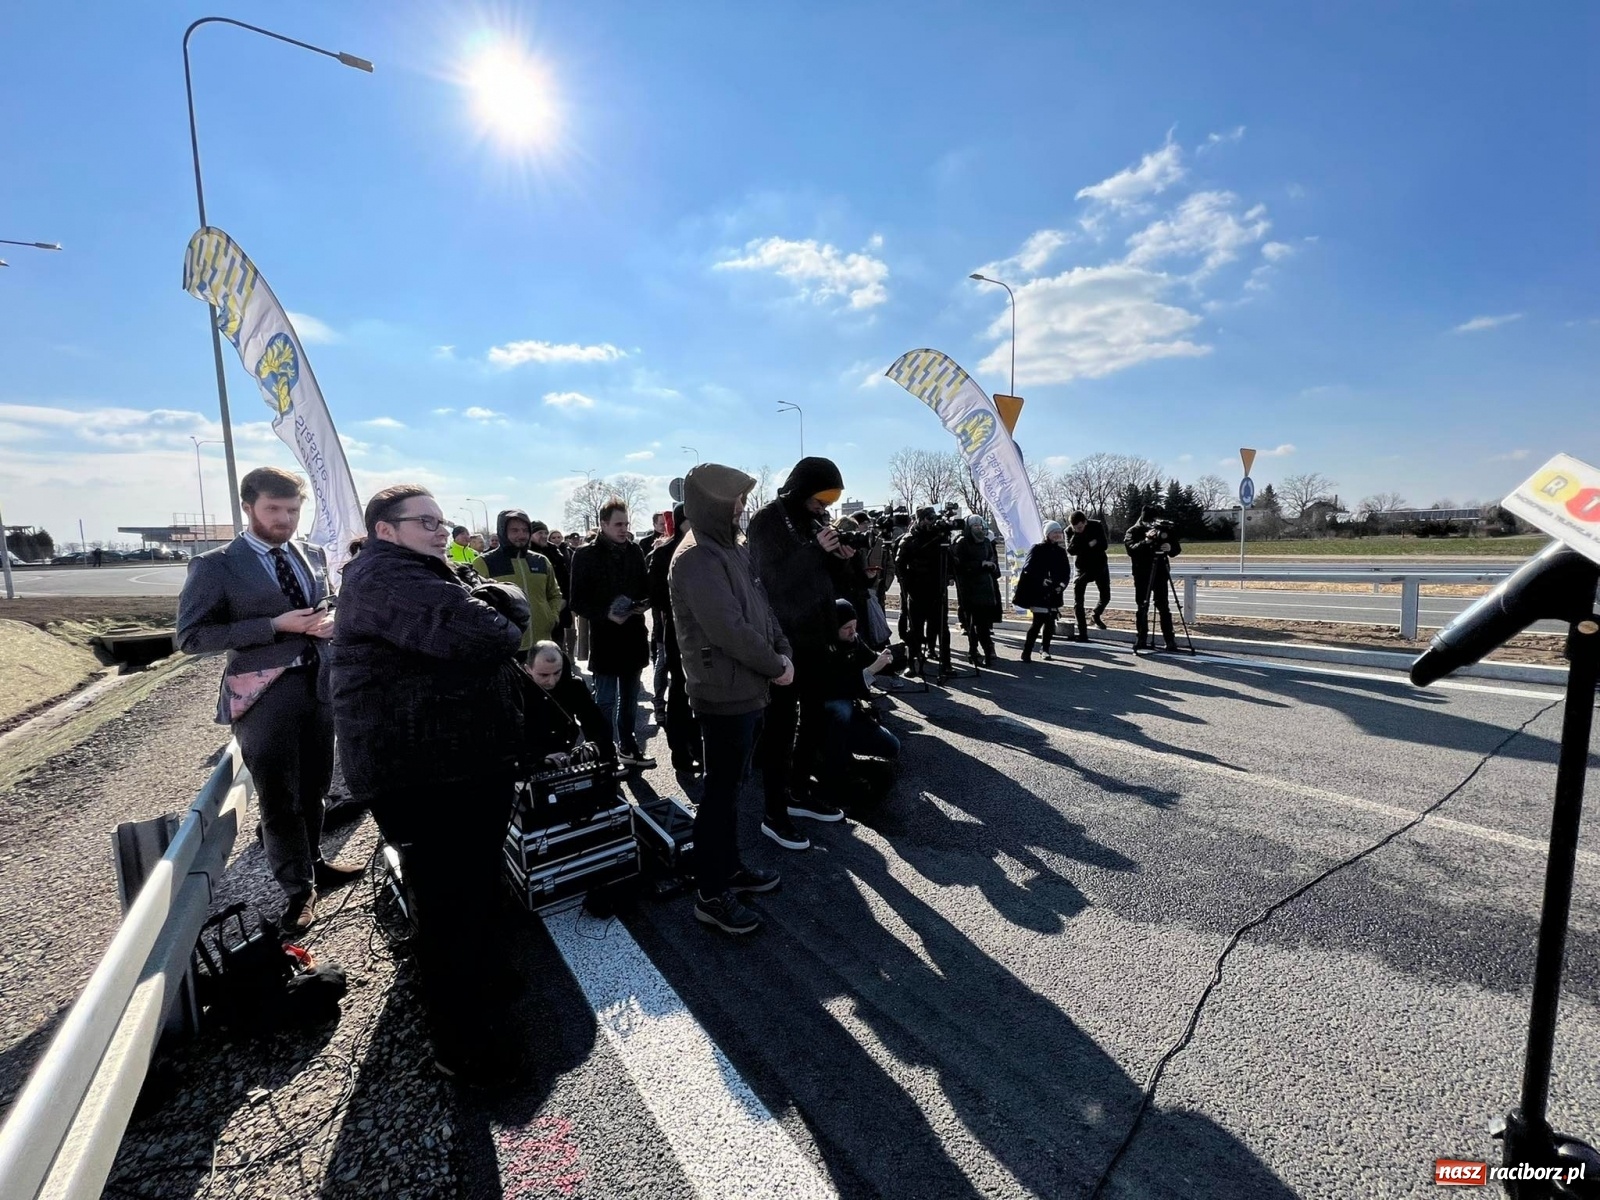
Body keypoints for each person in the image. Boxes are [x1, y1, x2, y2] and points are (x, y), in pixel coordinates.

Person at [329, 483, 530, 1089]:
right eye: (426, 523)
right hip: (426, 774)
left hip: (453, 764)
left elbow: (502, 609)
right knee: (448, 903)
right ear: (385, 529)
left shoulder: (419, 571)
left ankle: (482, 986)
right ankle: (460, 1047)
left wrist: (493, 600)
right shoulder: (388, 578)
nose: (441, 532)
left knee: (470, 888)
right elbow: (491, 632)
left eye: (443, 522)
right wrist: (495, 604)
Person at [176, 466, 360, 935]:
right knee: (280, 798)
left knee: (316, 786)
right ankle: (298, 890)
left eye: (293, 510)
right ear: (247, 507)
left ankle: (316, 862)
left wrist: (330, 620)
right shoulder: (216, 565)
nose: (284, 519)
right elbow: (191, 637)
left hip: (318, 686)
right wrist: (276, 626)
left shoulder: (312, 553)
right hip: (263, 695)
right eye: (273, 509)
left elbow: (327, 603)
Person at [669, 464, 789, 934]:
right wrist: (778, 666)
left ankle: (730, 869)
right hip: (723, 693)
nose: (743, 507)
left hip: (748, 687)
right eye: (735, 499)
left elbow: (761, 609)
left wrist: (782, 649)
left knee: (733, 789)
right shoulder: (697, 557)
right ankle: (710, 893)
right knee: (719, 795)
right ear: (715, 503)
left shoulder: (731, 548)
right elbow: (728, 630)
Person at [746, 457, 852, 845]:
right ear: (802, 488)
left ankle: (798, 793)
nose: (824, 508)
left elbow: (822, 582)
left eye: (828, 503)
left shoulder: (813, 523)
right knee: (779, 728)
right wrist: (814, 550)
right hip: (785, 641)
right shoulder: (765, 521)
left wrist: (842, 560)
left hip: (818, 640)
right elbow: (772, 580)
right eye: (820, 500)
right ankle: (773, 812)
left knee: (815, 722)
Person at [569, 500, 655, 768]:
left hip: (633, 635)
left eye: (627, 524)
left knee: (629, 699)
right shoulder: (584, 556)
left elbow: (644, 586)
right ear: (603, 524)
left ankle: (628, 747)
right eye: (618, 524)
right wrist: (606, 613)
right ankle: (603, 751)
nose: (624, 529)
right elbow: (576, 601)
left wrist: (643, 602)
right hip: (605, 637)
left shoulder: (634, 551)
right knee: (605, 700)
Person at [806, 599, 899, 803]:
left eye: (855, 626)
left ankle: (843, 753)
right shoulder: (821, 646)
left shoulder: (854, 640)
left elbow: (871, 659)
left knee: (892, 746)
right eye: (847, 627)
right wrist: (871, 671)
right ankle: (832, 766)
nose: (853, 632)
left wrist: (894, 659)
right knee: (841, 708)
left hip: (852, 709)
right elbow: (832, 687)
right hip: (823, 712)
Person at [649, 504, 701, 773]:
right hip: (677, 632)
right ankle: (680, 752)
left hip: (704, 633)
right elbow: (656, 599)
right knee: (681, 692)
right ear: (682, 522)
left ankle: (698, 747)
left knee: (701, 692)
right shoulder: (665, 553)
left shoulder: (704, 549)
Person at [476, 509, 563, 656]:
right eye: (514, 530)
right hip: (506, 645)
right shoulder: (484, 562)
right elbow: (477, 605)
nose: (521, 535)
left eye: (524, 530)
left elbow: (554, 594)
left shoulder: (541, 561)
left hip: (541, 642)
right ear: (503, 532)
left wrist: (552, 618)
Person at [524, 640, 616, 769]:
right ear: (528, 669)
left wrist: (594, 746)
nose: (551, 681)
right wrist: (538, 757)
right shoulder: (517, 691)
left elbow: (594, 721)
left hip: (566, 750)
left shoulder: (573, 685)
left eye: (557, 673)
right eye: (543, 675)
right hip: (532, 758)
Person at [895, 507, 952, 675]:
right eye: (927, 518)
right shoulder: (910, 538)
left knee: (942, 627)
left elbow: (951, 560)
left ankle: (946, 662)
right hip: (916, 589)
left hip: (937, 588)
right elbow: (899, 563)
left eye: (932, 518)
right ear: (919, 520)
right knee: (915, 628)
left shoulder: (939, 536)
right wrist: (906, 582)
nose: (930, 522)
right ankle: (911, 663)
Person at [1124, 504, 1183, 652]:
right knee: (1142, 605)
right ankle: (1141, 638)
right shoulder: (1133, 531)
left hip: (1161, 572)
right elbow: (1131, 550)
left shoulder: (1164, 529)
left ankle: (1169, 640)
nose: (1151, 524)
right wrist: (1146, 541)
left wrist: (1170, 547)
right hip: (1142, 573)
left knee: (1163, 606)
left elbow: (1176, 549)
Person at [1013, 521, 1072, 663]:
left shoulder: (1061, 551)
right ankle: (1027, 651)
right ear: (1047, 534)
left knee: (1050, 623)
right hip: (1039, 592)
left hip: (1054, 592)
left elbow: (1066, 572)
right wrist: (1041, 580)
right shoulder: (1037, 549)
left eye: (1059, 532)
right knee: (1038, 623)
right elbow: (1028, 568)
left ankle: (1045, 649)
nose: (1057, 535)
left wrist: (1062, 585)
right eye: (1054, 532)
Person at [951, 515, 1002, 666]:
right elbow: (959, 564)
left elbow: (992, 557)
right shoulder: (961, 542)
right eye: (975, 526)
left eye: (980, 526)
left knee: (984, 624)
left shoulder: (986, 541)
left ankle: (988, 651)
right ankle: (973, 651)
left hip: (986, 586)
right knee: (971, 623)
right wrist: (979, 564)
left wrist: (991, 566)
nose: (978, 528)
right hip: (969, 587)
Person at [1067, 510, 1111, 642]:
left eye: (1080, 527)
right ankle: (1082, 632)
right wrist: (1079, 537)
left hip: (1099, 564)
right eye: (1075, 528)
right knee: (1078, 601)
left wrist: (1085, 546)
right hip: (1082, 567)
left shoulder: (1096, 525)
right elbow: (1071, 550)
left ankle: (1096, 615)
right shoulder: (1069, 531)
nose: (1077, 529)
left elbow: (1104, 545)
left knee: (1106, 596)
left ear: (1085, 522)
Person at [545, 528, 576, 658]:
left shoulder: (568, 551)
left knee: (569, 623)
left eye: (559, 537)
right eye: (554, 537)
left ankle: (570, 653)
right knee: (556, 625)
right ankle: (559, 652)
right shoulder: (546, 553)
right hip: (552, 592)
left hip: (566, 592)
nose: (557, 540)